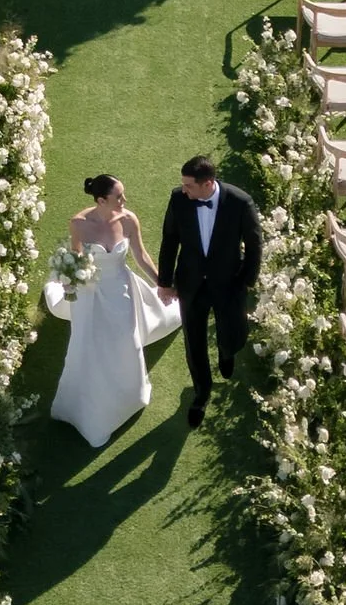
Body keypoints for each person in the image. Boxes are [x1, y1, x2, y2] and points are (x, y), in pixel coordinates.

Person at [48, 174, 179, 448]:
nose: (124, 200)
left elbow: (141, 256)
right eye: (118, 197)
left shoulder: (129, 220)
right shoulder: (79, 223)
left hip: (121, 291)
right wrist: (70, 280)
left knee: (126, 341)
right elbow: (76, 257)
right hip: (90, 293)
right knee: (89, 346)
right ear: (101, 200)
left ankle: (129, 396)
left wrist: (162, 285)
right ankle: (91, 409)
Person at [156, 154, 263, 428]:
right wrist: (165, 282)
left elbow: (254, 245)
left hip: (228, 283)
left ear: (208, 183)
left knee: (232, 331)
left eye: (189, 185)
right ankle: (201, 393)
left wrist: (245, 281)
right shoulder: (178, 199)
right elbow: (170, 240)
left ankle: (227, 353)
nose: (184, 190)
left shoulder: (240, 202)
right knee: (194, 342)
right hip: (191, 284)